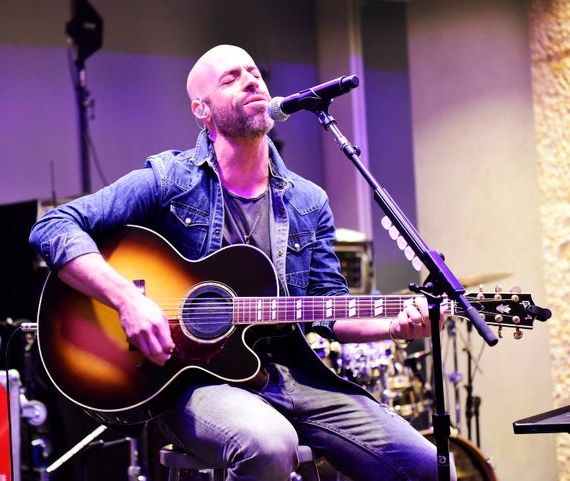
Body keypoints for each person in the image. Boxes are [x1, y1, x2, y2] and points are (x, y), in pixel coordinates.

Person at [29, 44, 455, 481]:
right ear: (202, 110)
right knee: (269, 445)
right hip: (192, 384)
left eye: (255, 72)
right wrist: (127, 301)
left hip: (292, 375)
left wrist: (396, 325)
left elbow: (331, 308)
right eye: (231, 77)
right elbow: (53, 227)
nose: (252, 80)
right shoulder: (169, 180)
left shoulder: (308, 201)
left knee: (427, 465)